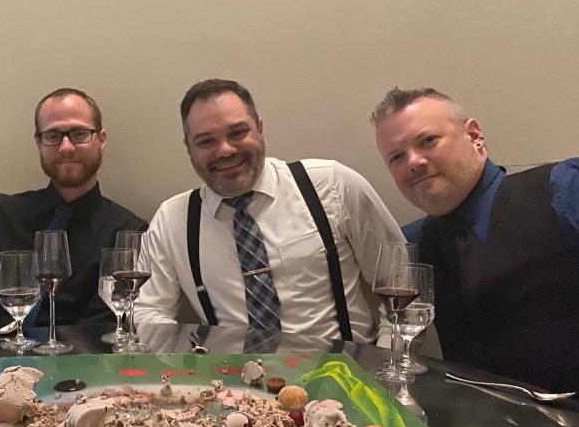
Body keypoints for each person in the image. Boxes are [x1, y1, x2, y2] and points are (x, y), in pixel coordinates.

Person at [372, 87, 579, 420]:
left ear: (475, 136)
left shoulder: (571, 189)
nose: (414, 163)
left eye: (427, 141)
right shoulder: (411, 246)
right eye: (397, 157)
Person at [133, 79, 405, 346]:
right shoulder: (173, 220)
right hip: (232, 383)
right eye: (206, 141)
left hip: (341, 376)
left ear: (260, 129)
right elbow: (148, 311)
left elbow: (403, 284)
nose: (225, 150)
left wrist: (380, 368)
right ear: (188, 147)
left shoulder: (332, 185)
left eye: (238, 133)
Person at [0, 88, 147, 329]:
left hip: (83, 362)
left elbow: (106, 328)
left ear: (101, 140)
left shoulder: (128, 233)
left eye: (79, 134)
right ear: (39, 143)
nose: (66, 147)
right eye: (53, 135)